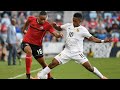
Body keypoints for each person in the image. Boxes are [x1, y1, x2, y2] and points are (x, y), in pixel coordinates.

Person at [37, 12, 112, 79]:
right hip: (67, 51)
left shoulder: (83, 30)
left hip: (77, 53)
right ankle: (39, 76)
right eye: (73, 20)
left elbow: (93, 39)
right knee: (53, 63)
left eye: (75, 21)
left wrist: (103, 41)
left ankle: (102, 77)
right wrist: (55, 25)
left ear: (80, 21)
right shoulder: (68, 25)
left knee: (89, 68)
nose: (73, 22)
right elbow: (59, 28)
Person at [21, 11, 63, 79]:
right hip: (26, 42)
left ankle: (50, 77)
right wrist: (23, 29)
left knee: (44, 64)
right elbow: (27, 23)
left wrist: (59, 35)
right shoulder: (31, 19)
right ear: (38, 17)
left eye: (44, 19)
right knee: (29, 51)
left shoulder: (47, 25)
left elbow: (55, 33)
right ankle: (28, 75)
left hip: (37, 46)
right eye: (41, 19)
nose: (43, 21)